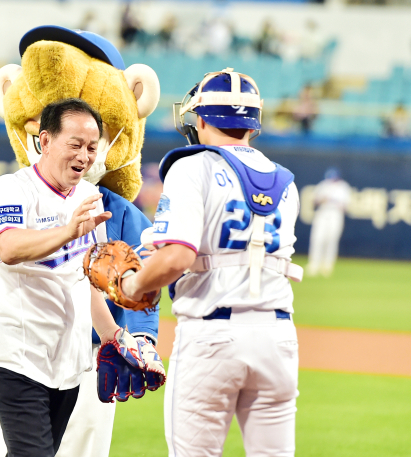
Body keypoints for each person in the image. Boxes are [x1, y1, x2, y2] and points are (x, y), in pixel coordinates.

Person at [122, 68, 303, 456]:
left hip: (213, 335)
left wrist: (134, 285)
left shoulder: (192, 166)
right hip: (278, 338)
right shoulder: (286, 181)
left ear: (201, 118)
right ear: (253, 125)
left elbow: (178, 256)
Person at [0, 98, 126, 457]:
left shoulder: (90, 196)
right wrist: (68, 231)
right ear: (45, 141)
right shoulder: (12, 189)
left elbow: (85, 277)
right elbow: (8, 247)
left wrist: (113, 337)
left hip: (67, 362)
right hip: (16, 355)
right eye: (74, 144)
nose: (85, 155)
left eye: (92, 147)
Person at [306, 167, 351, 277]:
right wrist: (323, 199)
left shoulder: (343, 187)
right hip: (323, 212)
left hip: (335, 214)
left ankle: (327, 265)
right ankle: (314, 264)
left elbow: (346, 205)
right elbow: (314, 200)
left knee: (331, 239)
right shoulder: (323, 185)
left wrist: (334, 201)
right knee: (317, 238)